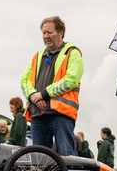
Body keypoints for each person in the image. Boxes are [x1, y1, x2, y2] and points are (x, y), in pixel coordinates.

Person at [20, 16, 84, 155]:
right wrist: (33, 96)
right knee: (39, 160)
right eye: (44, 33)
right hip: (38, 113)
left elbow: (71, 80)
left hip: (61, 114)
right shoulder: (38, 56)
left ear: (61, 33)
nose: (46, 36)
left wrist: (42, 94)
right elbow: (25, 80)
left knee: (66, 156)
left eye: (49, 32)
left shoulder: (72, 53)